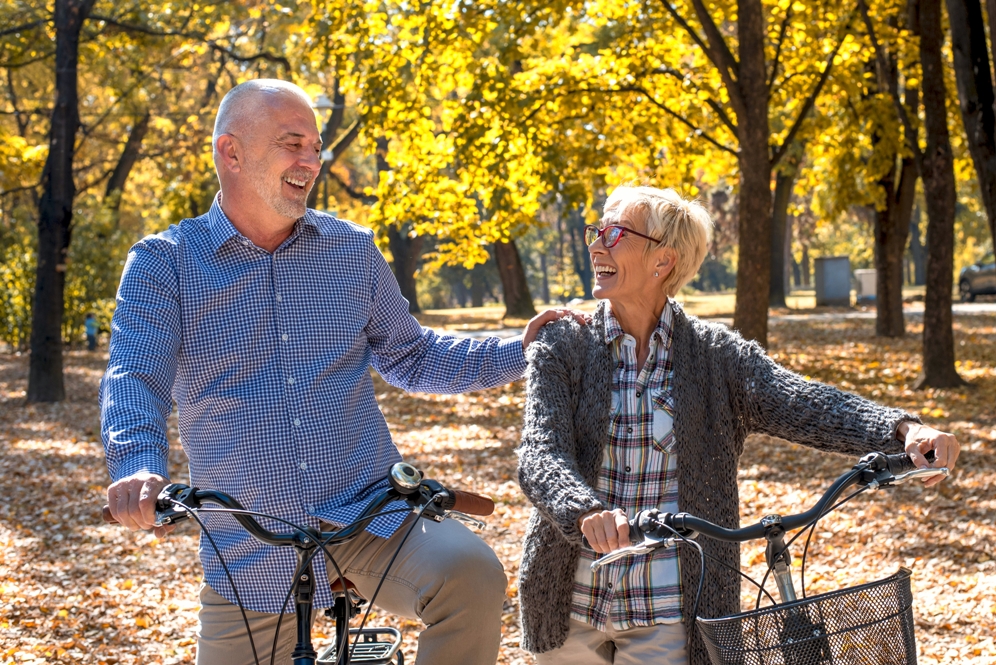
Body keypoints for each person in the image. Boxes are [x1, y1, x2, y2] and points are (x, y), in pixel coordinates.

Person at [101, 78, 579, 665]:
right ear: (231, 152)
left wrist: (522, 348)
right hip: (248, 546)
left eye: (316, 146)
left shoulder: (350, 251)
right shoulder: (164, 263)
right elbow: (134, 378)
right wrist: (138, 470)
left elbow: (414, 355)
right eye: (292, 143)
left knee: (472, 575)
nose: (312, 161)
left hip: (370, 516)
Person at [515, 185, 961, 665]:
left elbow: (803, 401)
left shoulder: (716, 357)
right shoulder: (566, 342)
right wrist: (583, 510)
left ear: (662, 261)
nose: (597, 244)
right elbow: (540, 451)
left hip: (671, 614)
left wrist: (901, 430)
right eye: (597, 231)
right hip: (571, 604)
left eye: (615, 232)